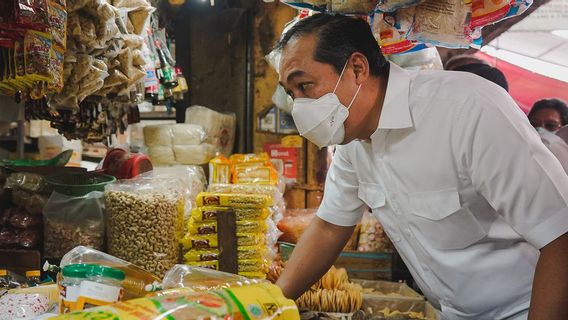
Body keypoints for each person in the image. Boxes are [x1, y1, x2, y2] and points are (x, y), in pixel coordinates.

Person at [275, 14, 568, 320]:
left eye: (304, 86)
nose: (299, 105)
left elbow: (560, 236)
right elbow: (329, 226)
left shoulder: (467, 109)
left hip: (526, 309)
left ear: (357, 69)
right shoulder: (353, 140)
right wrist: (268, 302)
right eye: (292, 94)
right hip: (452, 312)